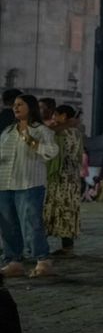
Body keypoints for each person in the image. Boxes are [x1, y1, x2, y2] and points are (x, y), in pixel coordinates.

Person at [0, 94, 58, 277]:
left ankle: (43, 260)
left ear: (30, 107)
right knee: (8, 225)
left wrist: (32, 142)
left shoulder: (41, 130)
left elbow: (51, 152)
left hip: (30, 184)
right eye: (14, 105)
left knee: (32, 224)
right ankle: (13, 261)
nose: (15, 108)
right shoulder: (8, 132)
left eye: (20, 105)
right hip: (5, 184)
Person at [43, 105, 85, 254]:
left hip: (60, 176)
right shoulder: (76, 132)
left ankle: (41, 246)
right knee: (68, 210)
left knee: (54, 209)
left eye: (56, 114)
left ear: (64, 116)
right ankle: (68, 247)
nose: (54, 118)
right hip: (72, 176)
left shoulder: (61, 132)